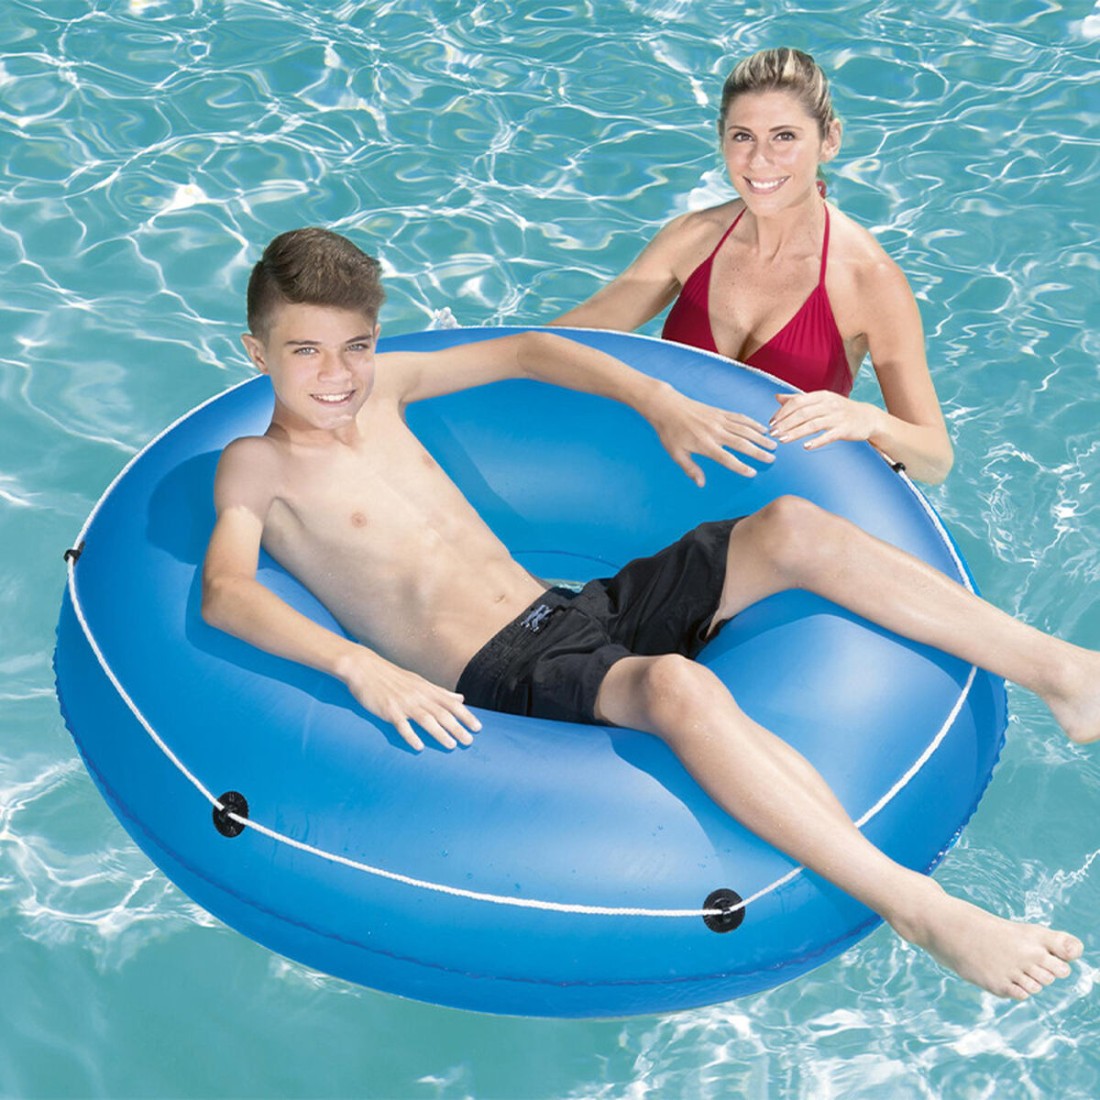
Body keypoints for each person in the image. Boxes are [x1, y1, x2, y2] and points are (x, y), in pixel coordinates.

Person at [203, 227, 1093, 1002]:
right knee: (673, 687)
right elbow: (228, 591)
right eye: (305, 351)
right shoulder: (258, 463)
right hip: (504, 669)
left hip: (569, 610)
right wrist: (358, 665)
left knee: (791, 526)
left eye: (355, 346)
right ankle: (922, 910)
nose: (337, 375)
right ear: (257, 352)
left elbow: (529, 351)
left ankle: (1063, 672)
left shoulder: (386, 388)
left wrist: (659, 399)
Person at [550, 47, 953, 485]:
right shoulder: (691, 239)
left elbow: (934, 461)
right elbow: (558, 341)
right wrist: (647, 393)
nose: (759, 160)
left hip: (779, 496)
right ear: (722, 138)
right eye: (743, 136)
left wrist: (867, 418)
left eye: (785, 136)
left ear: (830, 140)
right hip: (665, 469)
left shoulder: (867, 280)